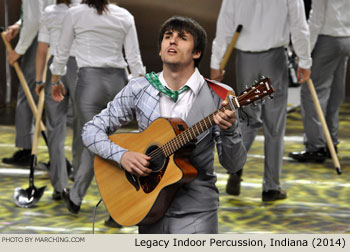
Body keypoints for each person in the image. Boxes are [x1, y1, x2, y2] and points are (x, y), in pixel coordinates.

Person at [81, 16, 247, 234]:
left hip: (197, 212)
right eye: (168, 37)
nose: (172, 41)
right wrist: (121, 156)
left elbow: (233, 165)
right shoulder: (138, 89)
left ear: (197, 53)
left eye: (182, 38)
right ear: (160, 50)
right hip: (146, 207)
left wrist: (230, 130)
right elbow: (90, 131)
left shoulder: (220, 96)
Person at [49, 0, 145, 219]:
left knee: (94, 143)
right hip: (119, 83)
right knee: (109, 144)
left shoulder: (75, 14)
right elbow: (134, 60)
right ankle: (108, 205)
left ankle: (78, 198)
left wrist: (56, 81)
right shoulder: (125, 16)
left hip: (89, 84)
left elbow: (61, 52)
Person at [210, 0, 311, 201]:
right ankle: (271, 187)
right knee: (274, 125)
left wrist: (216, 62)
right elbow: (299, 26)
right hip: (275, 59)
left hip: (246, 60)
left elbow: (225, 26)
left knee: (247, 120)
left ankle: (235, 169)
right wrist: (304, 59)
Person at [289, 0, 350, 162]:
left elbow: (316, 18)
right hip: (345, 38)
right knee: (334, 95)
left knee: (312, 94)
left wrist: (305, 52)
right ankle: (332, 143)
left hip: (327, 39)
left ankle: (316, 146)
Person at [34, 0, 81, 200]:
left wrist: (38, 79)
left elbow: (42, 49)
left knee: (55, 128)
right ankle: (78, 187)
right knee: (83, 127)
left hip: (55, 69)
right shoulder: (83, 12)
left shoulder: (48, 12)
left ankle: (59, 185)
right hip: (80, 67)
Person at [2, 0, 55, 166]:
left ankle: (27, 150)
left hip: (41, 38)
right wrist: (19, 24)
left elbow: (35, 19)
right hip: (58, 34)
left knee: (28, 94)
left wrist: (19, 50)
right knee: (55, 95)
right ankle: (58, 157)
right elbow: (38, 12)